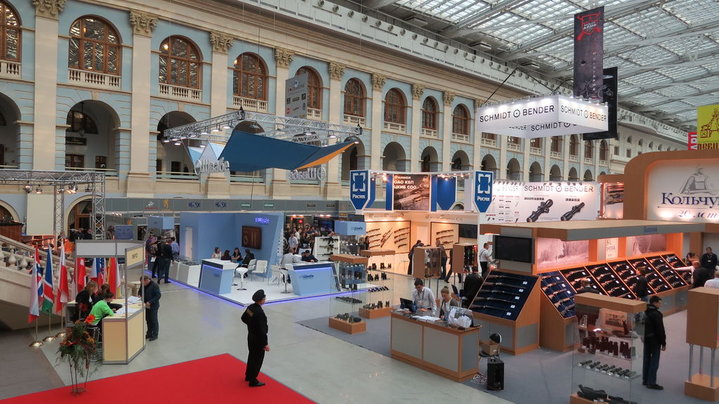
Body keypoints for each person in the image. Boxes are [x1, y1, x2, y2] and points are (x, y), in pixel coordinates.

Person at [241, 289, 269, 387]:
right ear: (261, 300)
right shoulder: (260, 313)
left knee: (252, 356)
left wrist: (251, 325)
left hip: (251, 336)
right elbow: (262, 331)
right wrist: (265, 344)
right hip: (258, 339)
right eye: (264, 298)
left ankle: (248, 375)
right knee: (257, 359)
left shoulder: (251, 307)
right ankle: (253, 380)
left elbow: (243, 318)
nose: (265, 299)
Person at [643, 295, 666, 390]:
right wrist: (663, 342)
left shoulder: (644, 311)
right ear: (655, 303)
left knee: (646, 359)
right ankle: (651, 382)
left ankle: (645, 379)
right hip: (655, 340)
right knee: (654, 361)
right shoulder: (657, 314)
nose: (660, 304)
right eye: (659, 303)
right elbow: (660, 330)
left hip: (646, 338)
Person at [139, 275, 161, 341]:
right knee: (148, 320)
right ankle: (149, 333)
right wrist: (140, 294)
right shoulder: (143, 284)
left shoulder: (154, 285)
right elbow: (140, 291)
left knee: (153, 320)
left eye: (143, 283)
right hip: (146, 305)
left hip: (153, 305)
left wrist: (150, 302)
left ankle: (155, 334)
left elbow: (158, 296)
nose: (142, 284)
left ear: (146, 280)